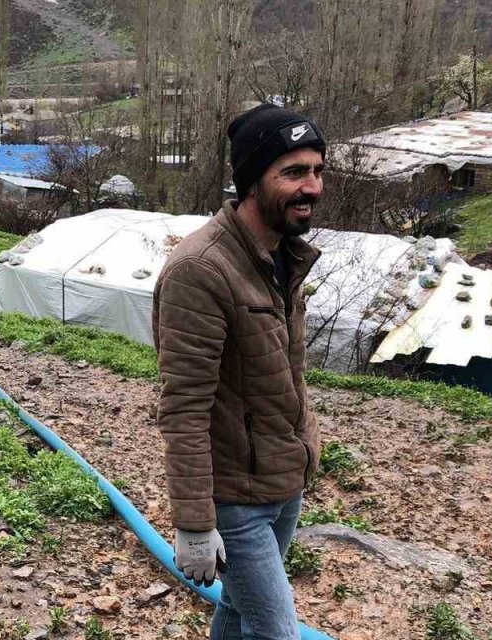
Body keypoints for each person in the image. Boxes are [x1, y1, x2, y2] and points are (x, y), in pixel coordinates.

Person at [152, 104, 325, 640]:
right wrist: (194, 523)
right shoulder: (201, 270)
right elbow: (184, 407)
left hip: (283, 481)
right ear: (252, 180)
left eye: (317, 170)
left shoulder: (283, 257)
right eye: (293, 172)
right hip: (234, 498)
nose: (312, 187)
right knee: (277, 631)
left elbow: (285, 374)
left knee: (236, 609)